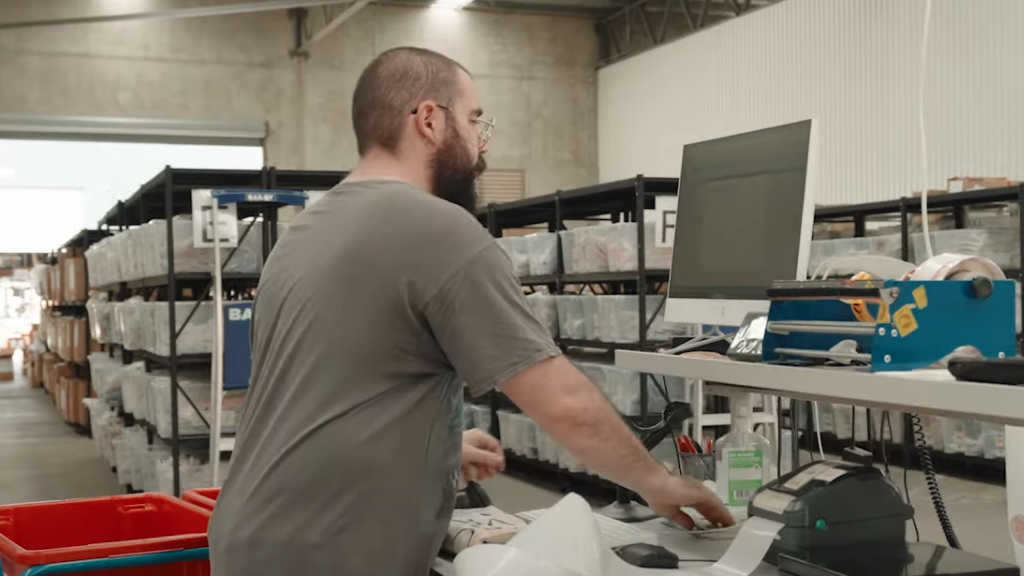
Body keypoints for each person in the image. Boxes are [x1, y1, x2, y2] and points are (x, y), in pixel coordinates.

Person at [207, 46, 733, 576]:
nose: (482, 143)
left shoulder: (301, 235)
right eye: (474, 119)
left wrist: (437, 447)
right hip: (328, 554)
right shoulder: (436, 227)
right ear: (429, 120)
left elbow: (317, 392)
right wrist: (658, 482)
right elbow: (564, 402)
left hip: (251, 539)